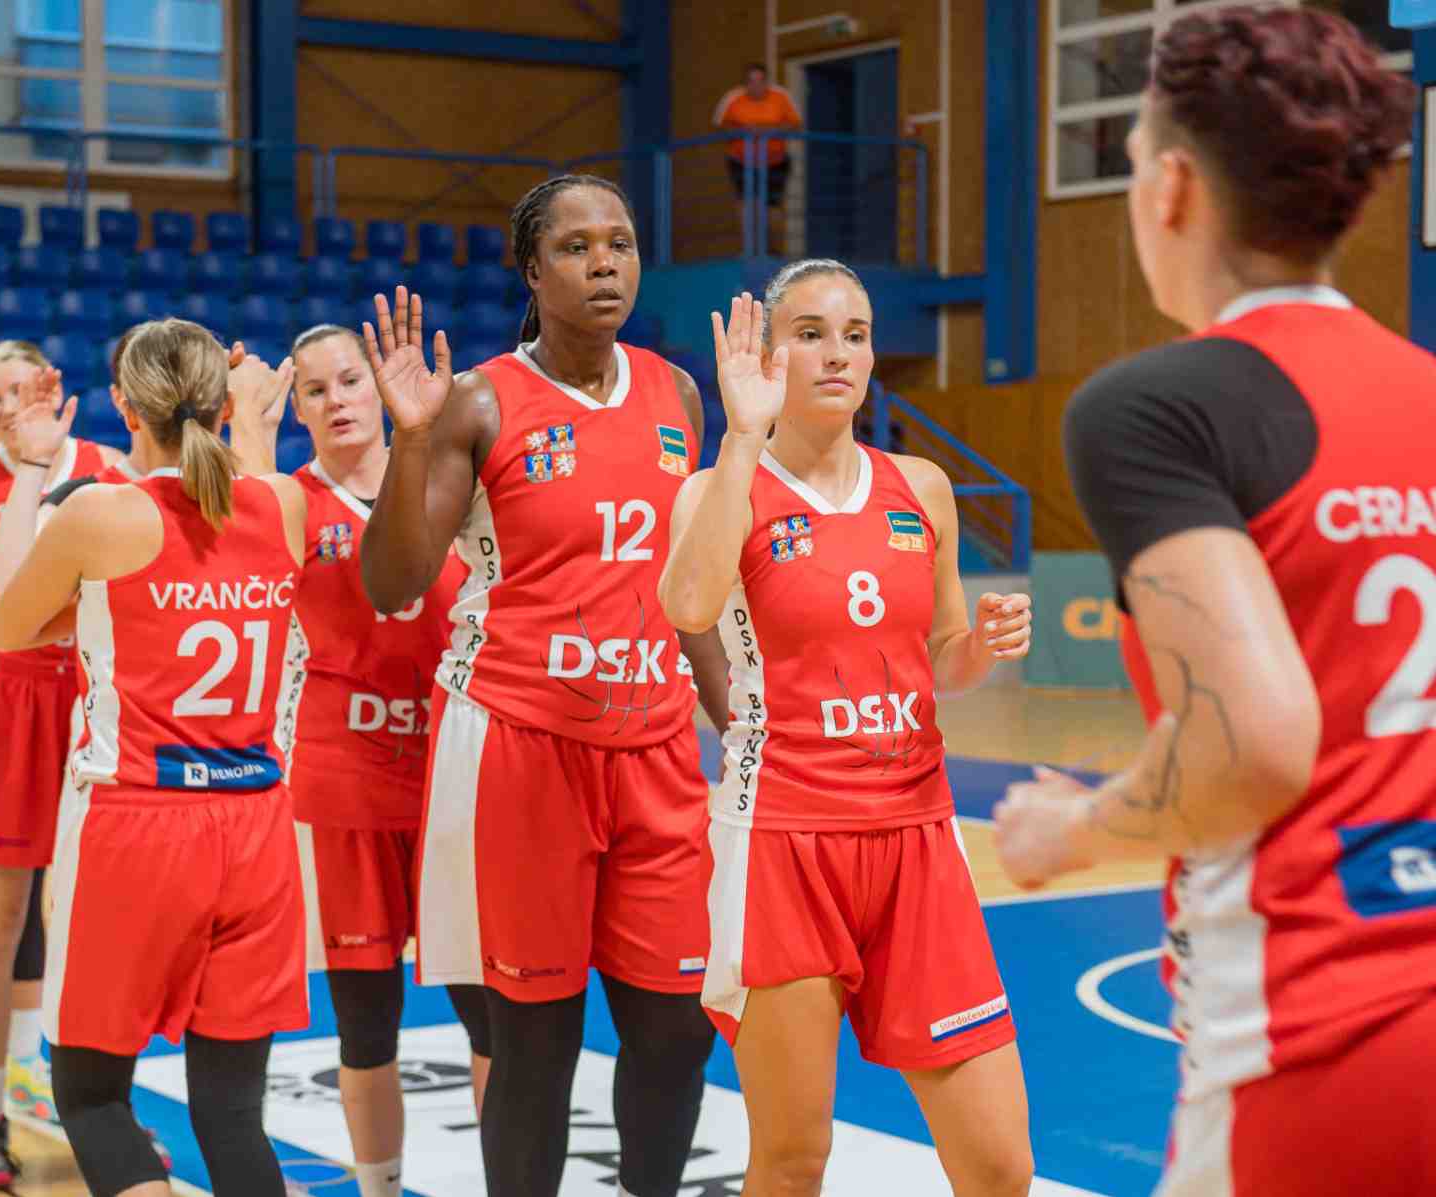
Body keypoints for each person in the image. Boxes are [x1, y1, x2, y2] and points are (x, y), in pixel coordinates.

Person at [992, 9, 1434, 1197]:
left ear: (1172, 186)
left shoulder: (1162, 406)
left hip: (1323, 1034)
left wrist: (1073, 830)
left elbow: (1252, 745)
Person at [359, 174, 733, 1197]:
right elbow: (392, 585)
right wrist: (409, 438)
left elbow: (683, 586)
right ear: (532, 270)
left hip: (655, 747)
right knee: (535, 1043)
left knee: (677, 1028)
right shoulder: (481, 400)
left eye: (620, 242)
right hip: (520, 747)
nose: (604, 262)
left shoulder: (676, 394)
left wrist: (738, 718)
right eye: (575, 247)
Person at [658, 271, 1035, 1197]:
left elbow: (943, 653)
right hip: (784, 840)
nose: (838, 354)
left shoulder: (924, 487)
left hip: (919, 837)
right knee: (793, 1161)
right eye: (811, 333)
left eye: (856, 334)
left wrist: (979, 647)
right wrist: (742, 436)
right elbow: (688, 604)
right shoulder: (721, 486)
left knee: (1000, 1166)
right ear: (768, 356)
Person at [0, 318, 309, 1197]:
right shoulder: (284, 502)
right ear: (221, 401)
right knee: (232, 1114)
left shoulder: (99, 512)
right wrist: (252, 420)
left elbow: (6, 629)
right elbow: (246, 499)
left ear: (126, 408)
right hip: (257, 828)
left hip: (137, 821)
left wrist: (95, 605)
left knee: (91, 1096)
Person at [275, 323, 491, 1195]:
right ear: (296, 408)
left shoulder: (451, 484)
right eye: (316, 389)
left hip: (453, 782)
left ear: (380, 385)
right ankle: (379, 1187)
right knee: (366, 1025)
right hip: (348, 786)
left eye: (350, 380)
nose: (337, 400)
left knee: (490, 1015)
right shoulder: (288, 502)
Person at [0, 339, 116, 1186]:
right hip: (8, 698)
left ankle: (99, 1107)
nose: (4, 410)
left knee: (90, 916)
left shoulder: (108, 468)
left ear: (53, 386)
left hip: (92, 696)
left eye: (18, 391)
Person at [713, 63, 802, 252]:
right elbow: (720, 126)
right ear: (745, 84)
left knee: (772, 208)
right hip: (741, 161)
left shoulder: (781, 96)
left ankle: (773, 251)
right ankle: (749, 250)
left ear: (767, 82)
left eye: (760, 81)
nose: (756, 86)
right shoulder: (733, 98)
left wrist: (768, 130)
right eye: (751, 81)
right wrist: (743, 131)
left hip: (775, 161)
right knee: (746, 206)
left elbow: (796, 124)